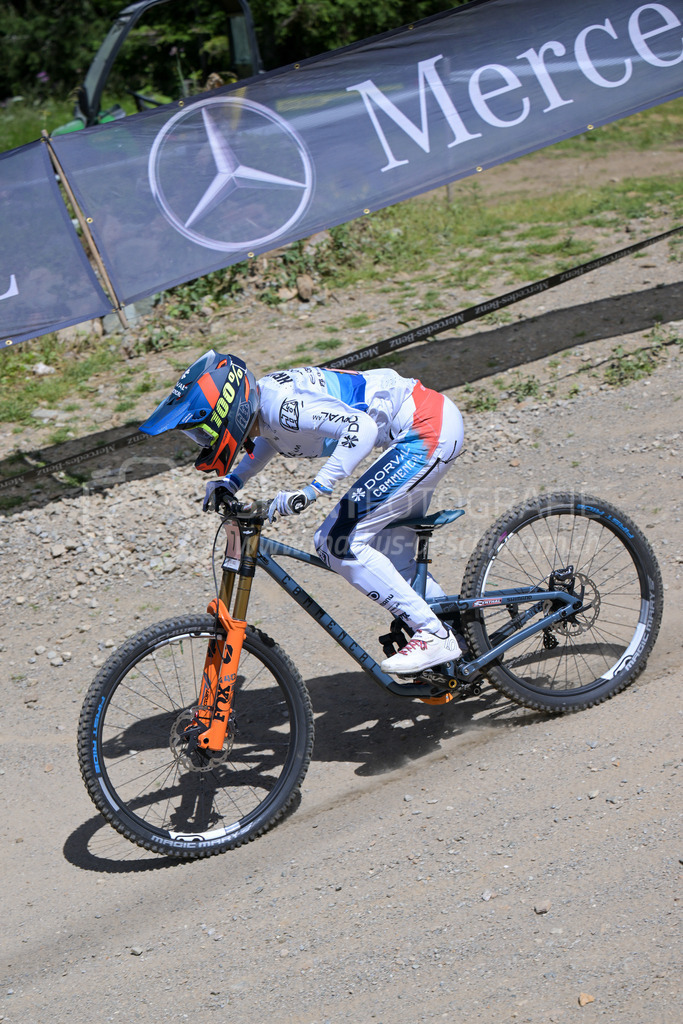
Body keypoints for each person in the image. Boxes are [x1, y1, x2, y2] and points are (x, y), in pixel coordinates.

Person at [140, 350, 465, 675]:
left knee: (337, 541)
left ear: (227, 410)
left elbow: (361, 428)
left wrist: (314, 490)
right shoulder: (263, 405)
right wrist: (234, 480)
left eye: (203, 431)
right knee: (394, 557)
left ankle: (432, 634)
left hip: (424, 429)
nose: (203, 440)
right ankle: (464, 642)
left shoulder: (281, 406)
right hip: (427, 423)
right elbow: (274, 438)